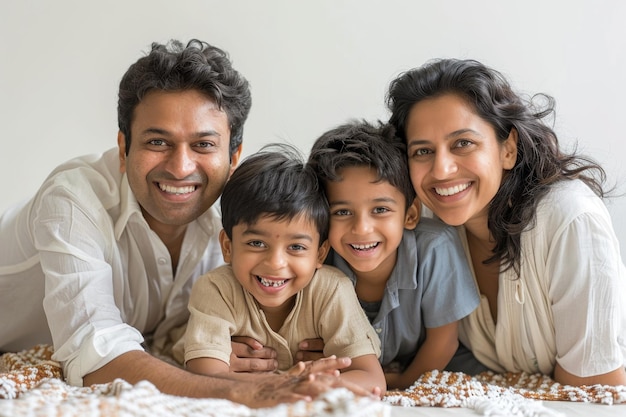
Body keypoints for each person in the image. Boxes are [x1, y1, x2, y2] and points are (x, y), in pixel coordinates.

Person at [0, 38, 373, 407]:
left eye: (204, 145)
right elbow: (93, 350)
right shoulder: (72, 199)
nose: (180, 168)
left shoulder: (241, 219)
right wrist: (240, 390)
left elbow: (174, 334)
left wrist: (221, 351)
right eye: (158, 142)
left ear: (234, 155)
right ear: (123, 147)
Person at [386, 57, 626, 386]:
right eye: (423, 151)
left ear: (508, 149)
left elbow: (593, 393)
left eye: (463, 143)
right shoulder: (422, 221)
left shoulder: (569, 220)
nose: (441, 170)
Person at [172, 144, 386, 396]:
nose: (275, 263)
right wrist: (284, 386)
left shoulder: (331, 290)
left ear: (320, 253)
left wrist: (311, 386)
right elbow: (206, 380)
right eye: (256, 243)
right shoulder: (217, 289)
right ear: (228, 247)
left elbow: (372, 379)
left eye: (296, 246)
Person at [304, 120, 481, 389]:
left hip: (423, 367)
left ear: (410, 215)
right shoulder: (315, 259)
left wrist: (401, 383)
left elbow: (443, 342)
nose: (362, 228)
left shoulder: (434, 248)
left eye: (380, 210)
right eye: (341, 212)